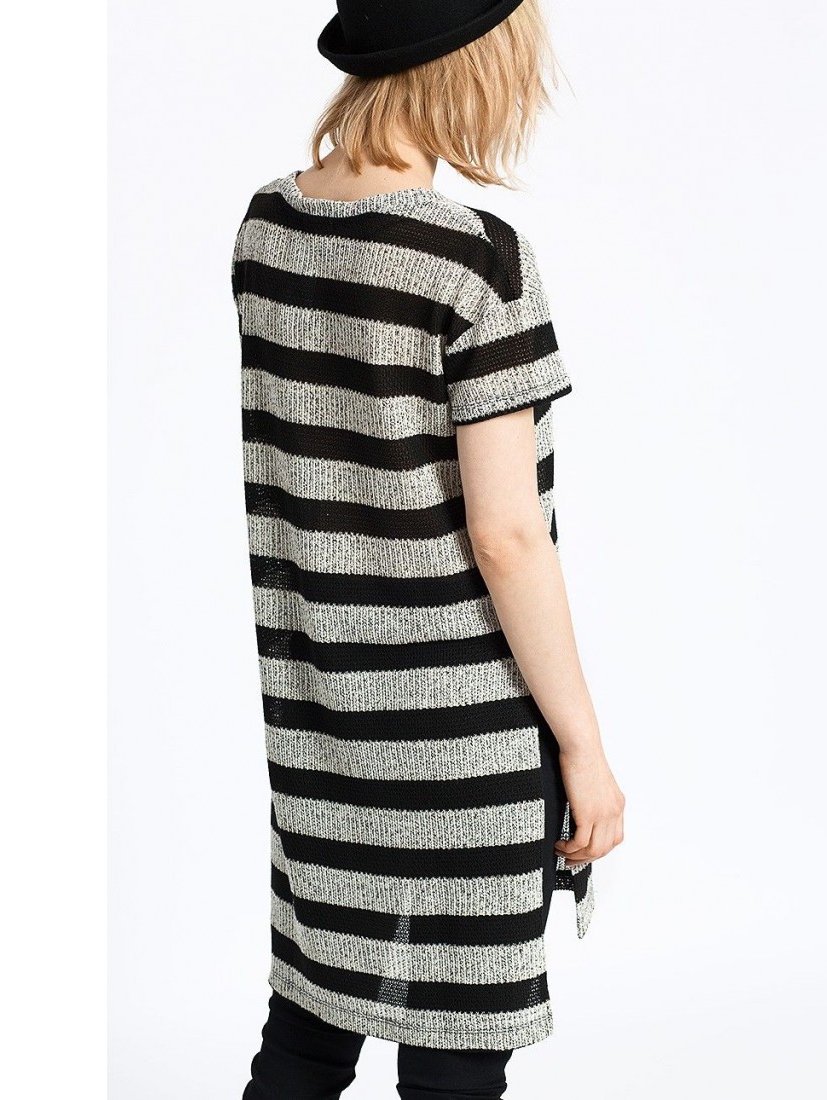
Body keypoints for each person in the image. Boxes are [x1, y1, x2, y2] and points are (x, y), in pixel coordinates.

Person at [230, 2, 625, 1096]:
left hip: (320, 729)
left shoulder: (265, 231)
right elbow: (507, 535)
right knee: (453, 1062)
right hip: (464, 741)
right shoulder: (475, 261)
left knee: (306, 1036)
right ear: (474, 72)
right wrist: (584, 750)